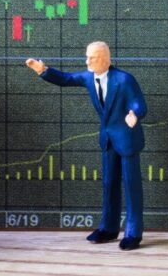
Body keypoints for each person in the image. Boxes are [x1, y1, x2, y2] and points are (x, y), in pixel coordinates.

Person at [26, 42, 147, 250]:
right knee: (109, 184)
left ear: (106, 60)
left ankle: (133, 233)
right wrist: (43, 71)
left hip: (127, 138)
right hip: (108, 140)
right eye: (87, 57)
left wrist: (134, 114)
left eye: (93, 58)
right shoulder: (89, 77)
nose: (88, 61)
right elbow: (66, 79)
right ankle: (109, 228)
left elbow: (139, 102)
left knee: (131, 186)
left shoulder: (124, 79)